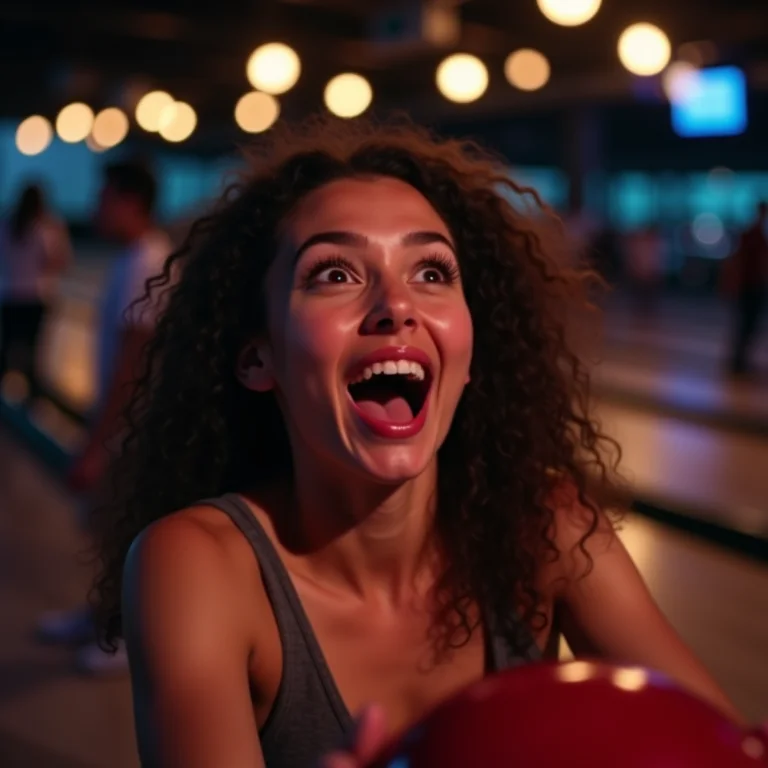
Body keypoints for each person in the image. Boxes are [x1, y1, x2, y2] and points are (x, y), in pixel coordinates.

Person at [89, 119, 739, 767]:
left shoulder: (546, 529)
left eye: (431, 271)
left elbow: (726, 750)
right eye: (335, 273)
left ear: (469, 352)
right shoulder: (200, 566)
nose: (396, 305)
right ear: (258, 357)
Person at [36, 160, 172, 675]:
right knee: (104, 528)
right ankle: (98, 616)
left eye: (104, 197)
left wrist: (97, 443)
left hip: (129, 430)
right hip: (122, 427)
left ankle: (120, 635)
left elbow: (131, 366)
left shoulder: (147, 262)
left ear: (130, 202)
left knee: (124, 533)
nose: (95, 206)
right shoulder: (132, 258)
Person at [0, 183, 72, 401]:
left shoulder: (7, 224)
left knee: (8, 345)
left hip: (10, 293)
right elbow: (58, 261)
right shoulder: (47, 227)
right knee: (33, 348)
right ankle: (31, 397)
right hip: (36, 295)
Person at [722, 201, 768, 376]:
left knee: (747, 327)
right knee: (746, 326)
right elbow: (739, 263)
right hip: (750, 287)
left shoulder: (755, 235)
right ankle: (737, 363)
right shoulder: (751, 235)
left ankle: (739, 361)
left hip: (753, 286)